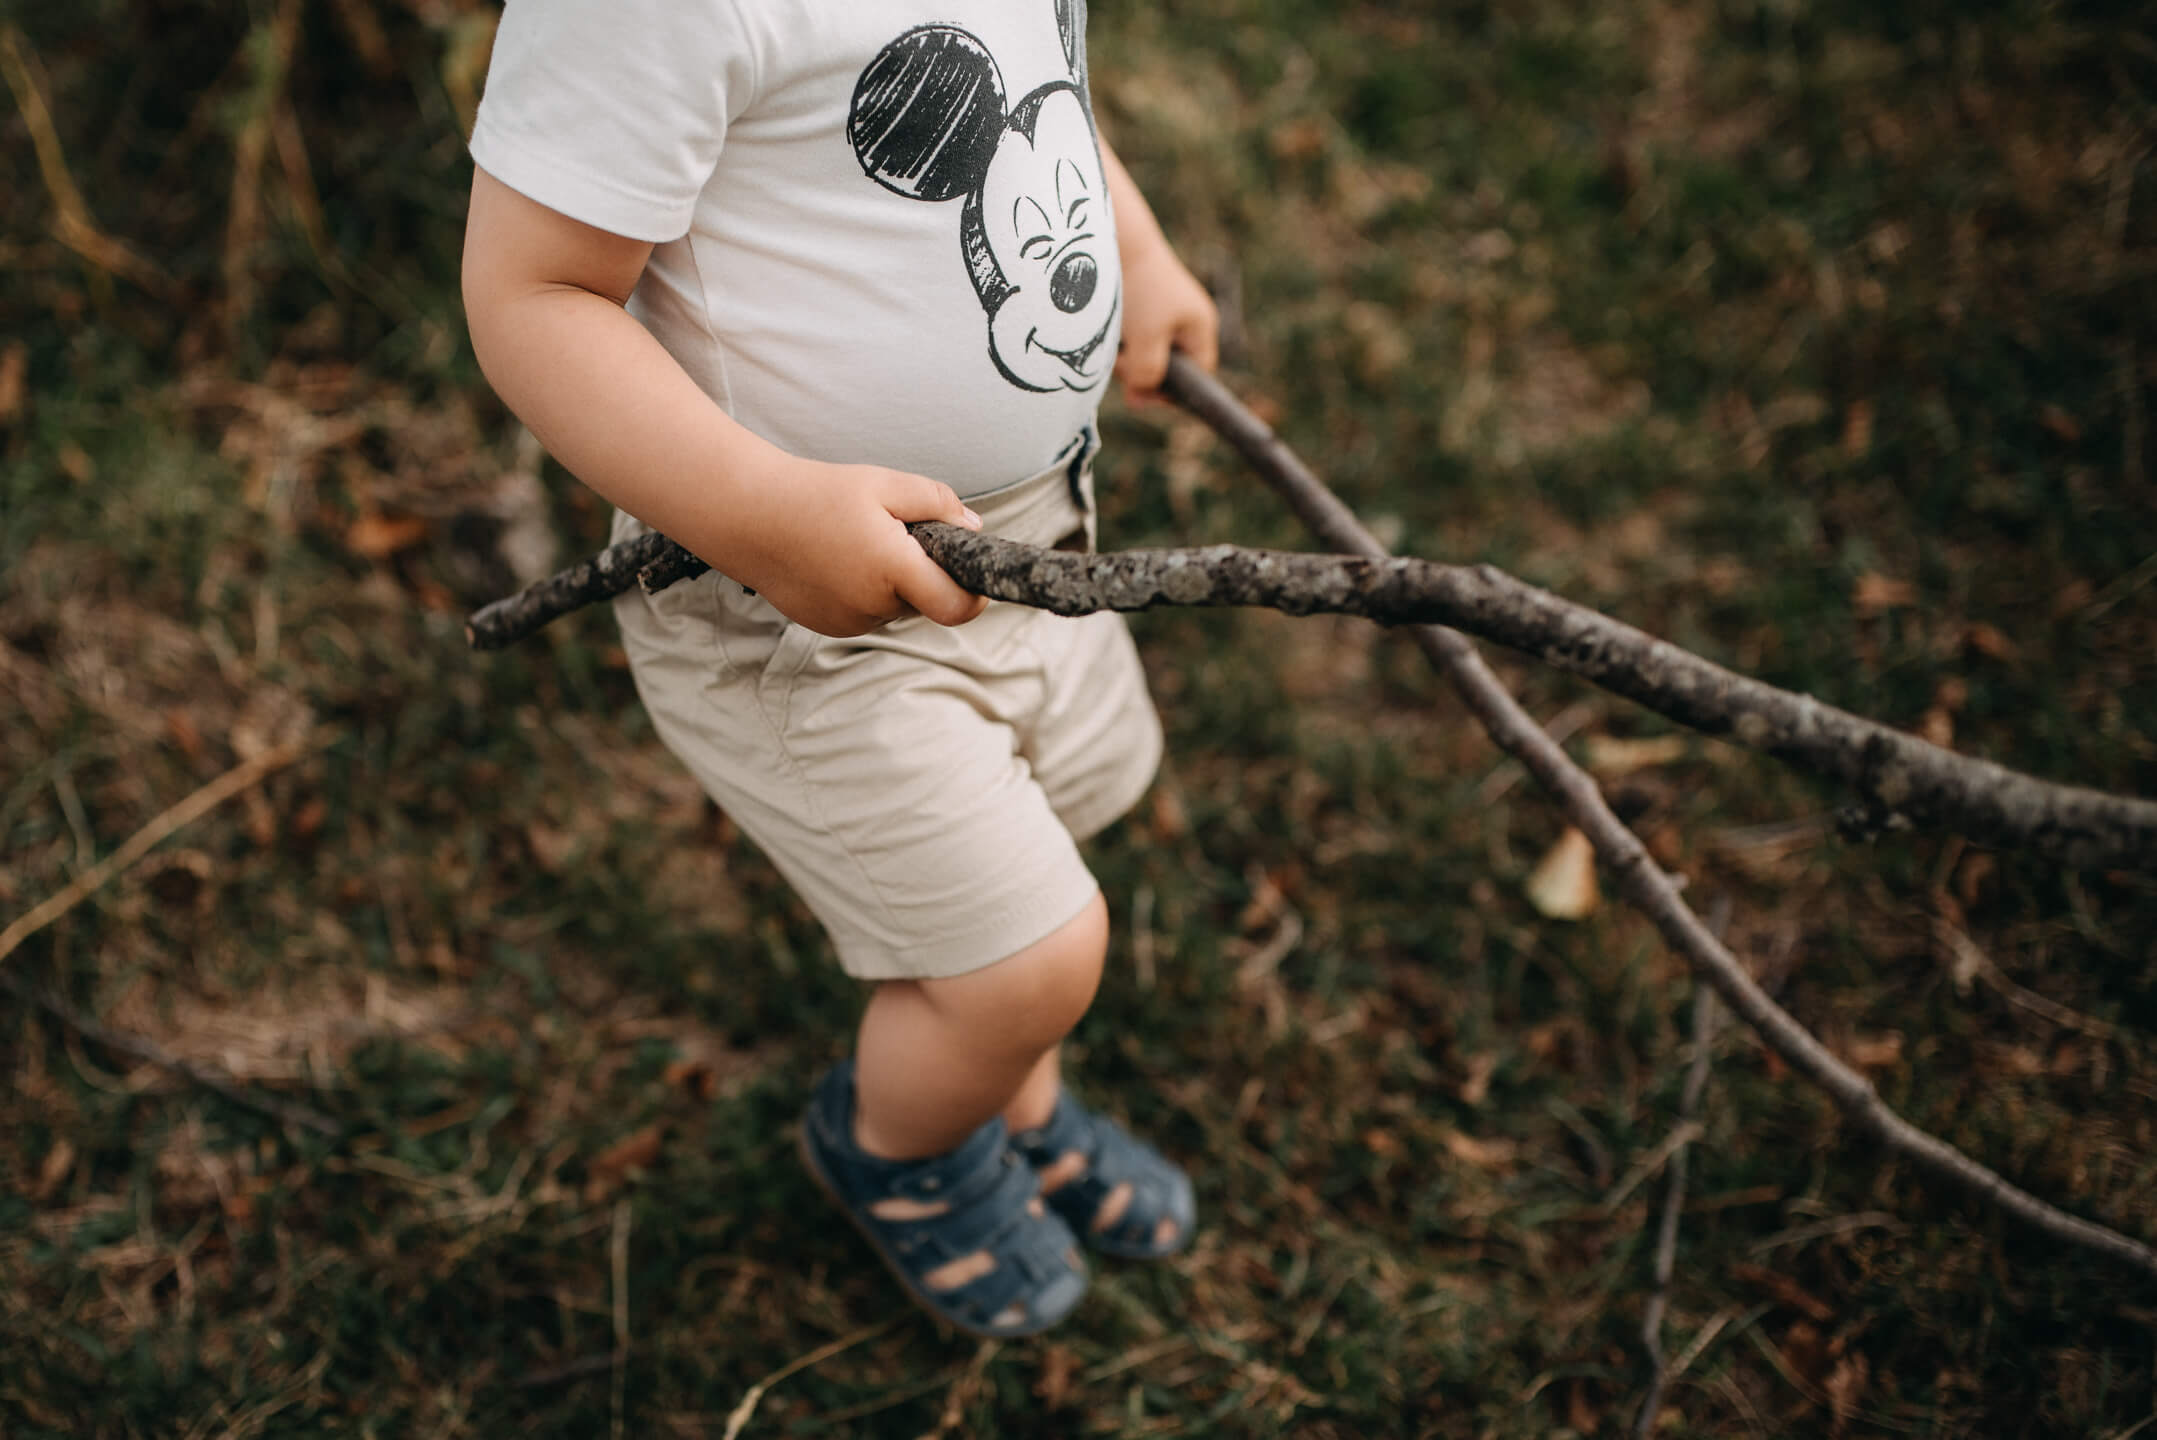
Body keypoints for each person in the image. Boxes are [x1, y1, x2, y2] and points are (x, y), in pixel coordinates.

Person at [461, 0, 1220, 1338]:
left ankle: (1005, 1101)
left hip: (1035, 537)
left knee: (1049, 834)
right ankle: (901, 1153)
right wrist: (760, 516)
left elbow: (1032, 92)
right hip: (798, 611)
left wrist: (1136, 250)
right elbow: (533, 292)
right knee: (1029, 960)